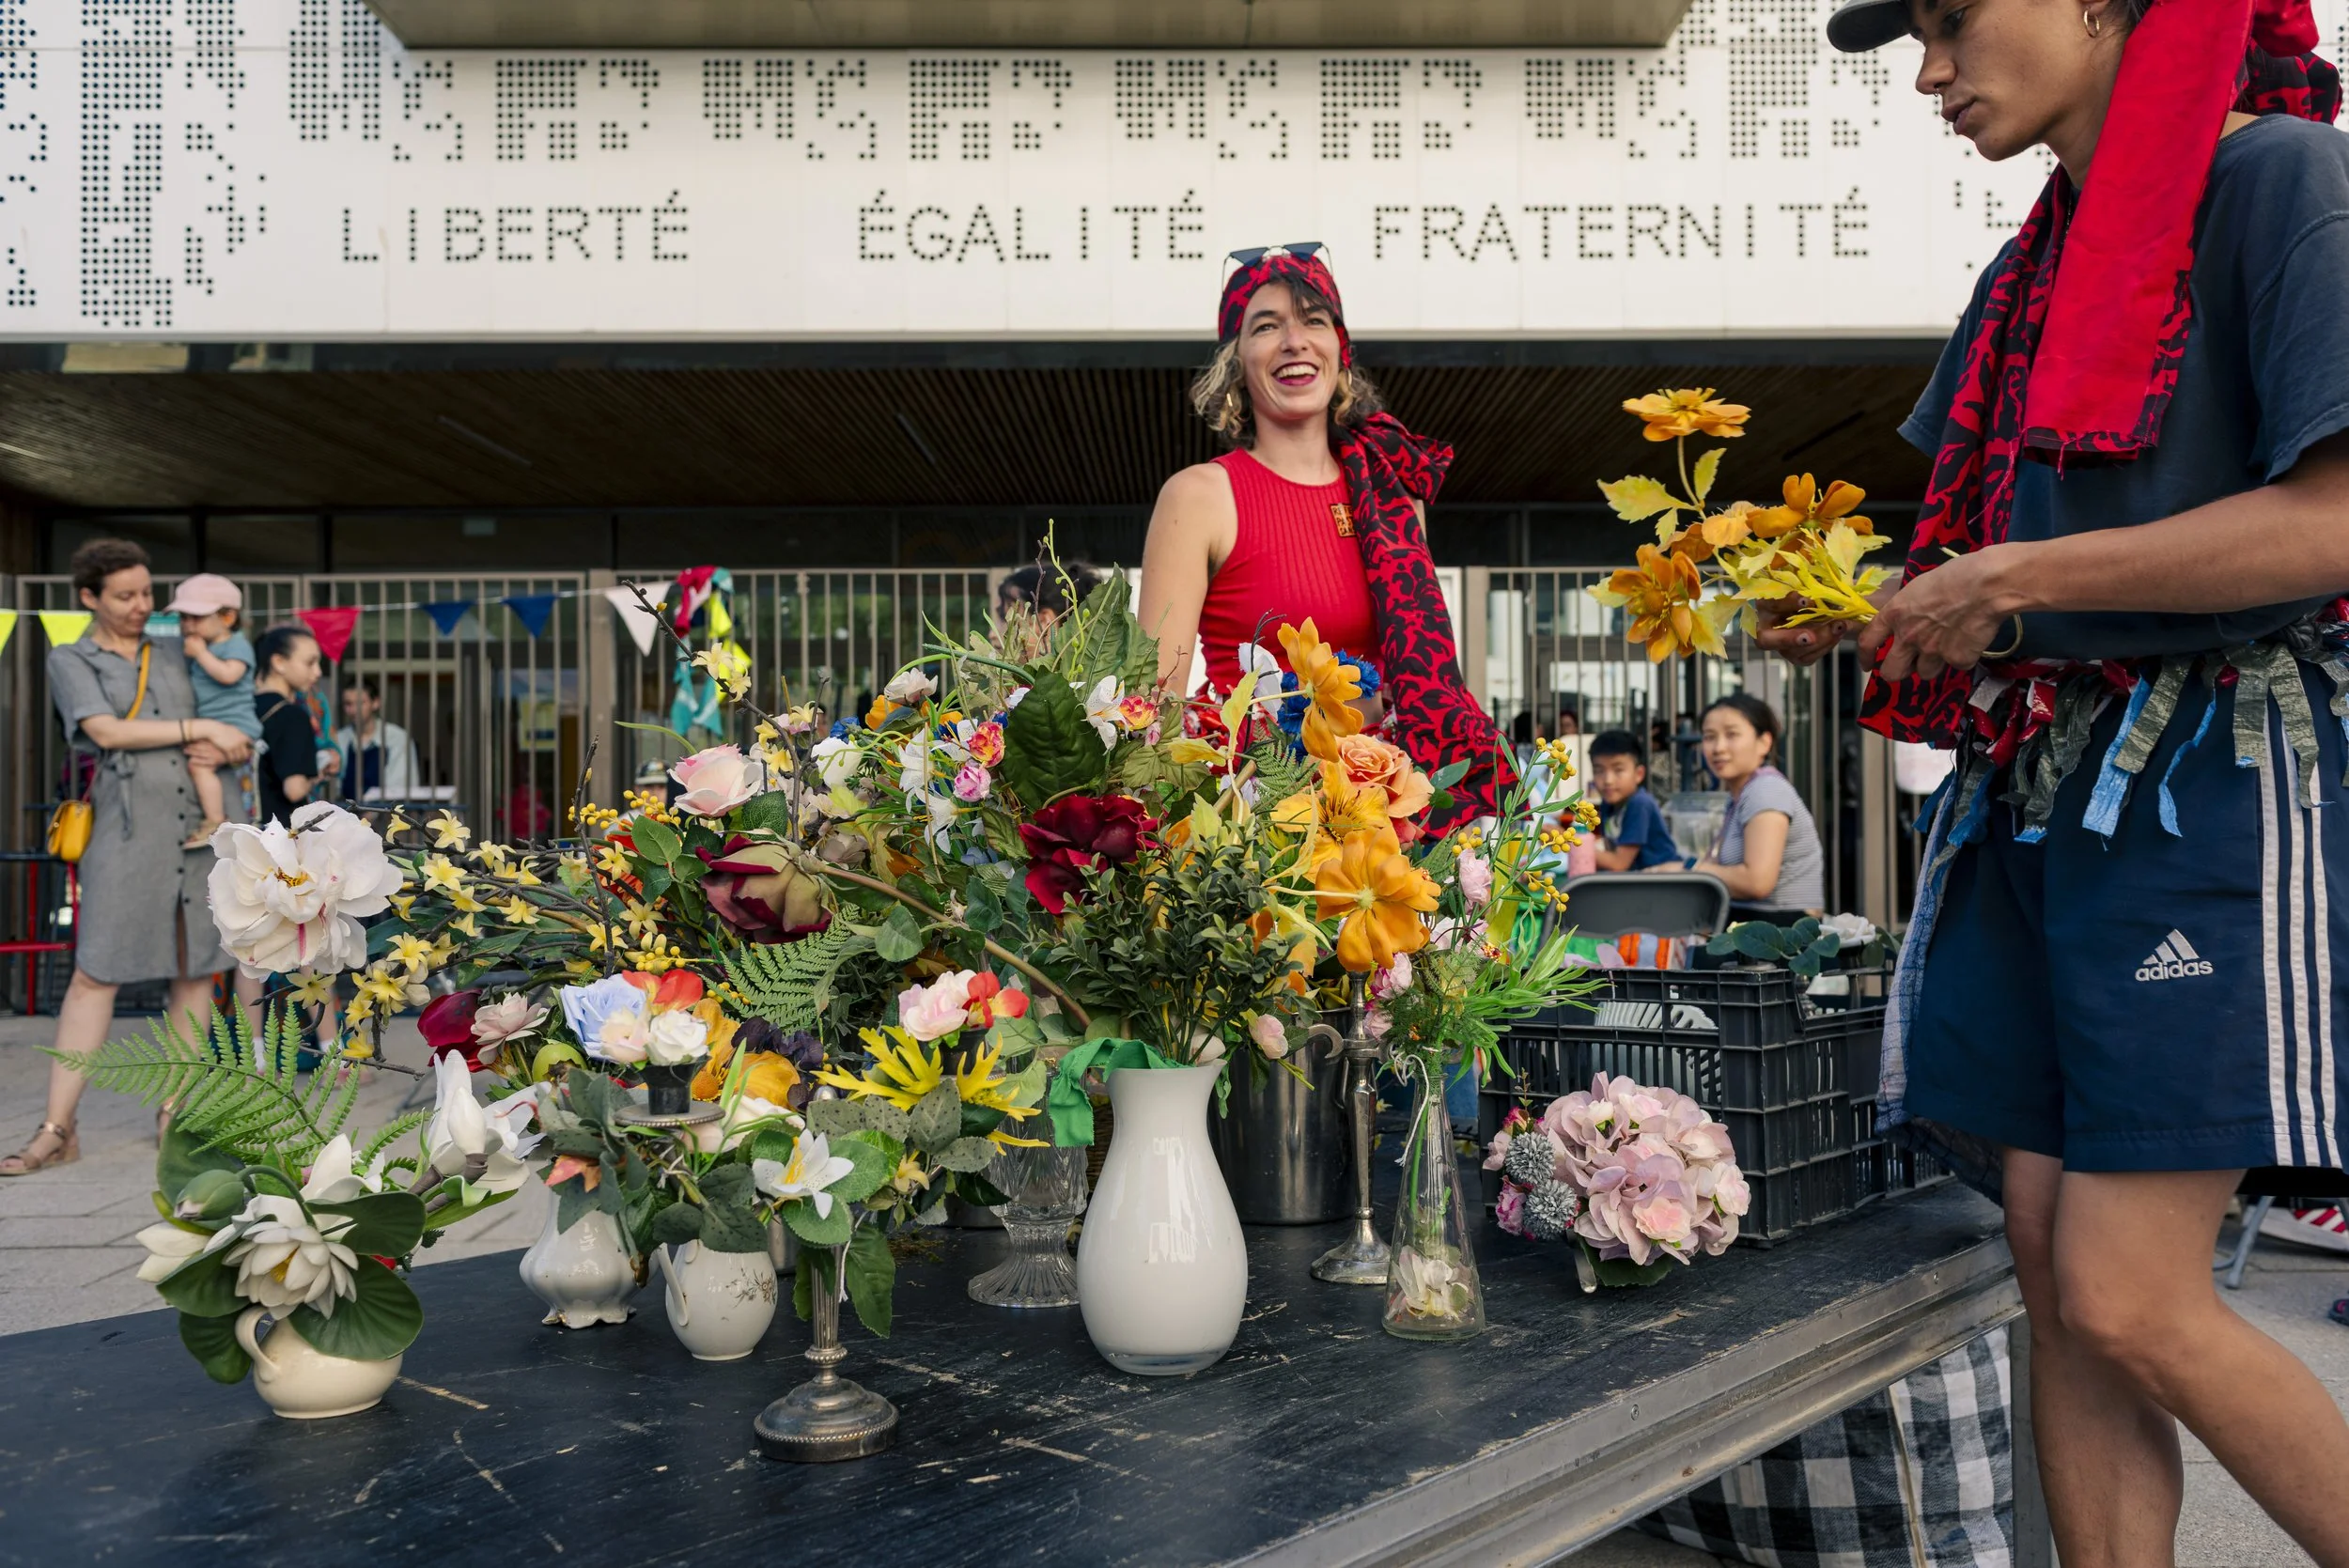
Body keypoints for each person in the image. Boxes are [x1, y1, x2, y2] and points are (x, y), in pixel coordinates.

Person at [1772, 0, 2349, 1556]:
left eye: (1955, 19)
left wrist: (2016, 578)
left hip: (2208, 775)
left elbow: (2332, 523)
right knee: (2055, 1272)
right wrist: (1880, 603)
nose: (1932, 71)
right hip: (2038, 788)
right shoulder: (2029, 270)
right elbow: (1989, 570)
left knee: (2125, 1287)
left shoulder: (2286, 178)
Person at [1138, 243, 1511, 818]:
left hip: (1390, 818)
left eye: (1314, 320)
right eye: (1266, 325)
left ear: (1341, 347)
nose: (1294, 341)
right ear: (1236, 358)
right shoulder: (1198, 497)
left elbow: (1421, 686)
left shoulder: (1394, 494)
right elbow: (1152, 708)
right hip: (1253, 826)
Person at [0, 539, 255, 1176]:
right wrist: (200, 731)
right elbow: (106, 729)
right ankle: (58, 1127)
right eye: (126, 596)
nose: (143, 606)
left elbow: (231, 706)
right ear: (89, 596)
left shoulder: (175, 649)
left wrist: (237, 740)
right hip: (125, 828)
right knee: (95, 972)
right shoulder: (70, 657)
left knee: (197, 969)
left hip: (206, 825)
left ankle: (176, 1111)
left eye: (147, 592)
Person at [1677, 694, 1824, 920]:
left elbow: (1757, 882)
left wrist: (1687, 869)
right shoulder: (1741, 794)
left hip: (1781, 933)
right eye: (1709, 737)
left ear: (1764, 742)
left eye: (1732, 735)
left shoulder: (1766, 790)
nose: (1718, 748)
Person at [164, 573, 261, 847]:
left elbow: (230, 674)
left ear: (228, 617)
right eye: (184, 617)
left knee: (199, 764)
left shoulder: (236, 644)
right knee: (199, 763)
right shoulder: (202, 647)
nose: (187, 625)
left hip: (235, 724)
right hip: (216, 723)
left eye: (196, 617)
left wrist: (201, 655)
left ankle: (215, 819)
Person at [253, 626, 329, 828]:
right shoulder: (292, 716)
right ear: (279, 663)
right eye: (310, 662)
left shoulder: (244, 708)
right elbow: (294, 789)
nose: (318, 672)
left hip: (244, 827)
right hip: (279, 834)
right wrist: (316, 773)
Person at [1588, 729, 1680, 871]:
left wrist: (1569, 842)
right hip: (1635, 882)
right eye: (1599, 771)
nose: (1608, 781)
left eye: (1618, 770)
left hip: (1664, 883)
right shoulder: (1608, 803)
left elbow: (1618, 864)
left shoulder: (1640, 804)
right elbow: (1611, 853)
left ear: (1639, 774)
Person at [334, 677, 420, 802]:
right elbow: (334, 788)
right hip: (345, 816)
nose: (353, 710)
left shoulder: (397, 739)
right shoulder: (339, 739)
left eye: (360, 703)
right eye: (348, 704)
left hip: (387, 816)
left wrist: (374, 812)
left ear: (376, 703)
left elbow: (399, 788)